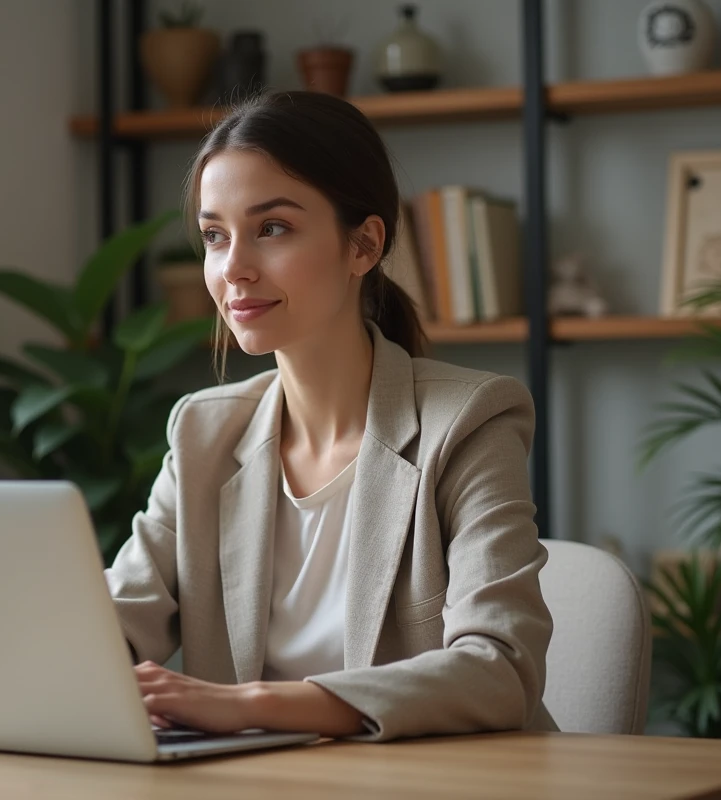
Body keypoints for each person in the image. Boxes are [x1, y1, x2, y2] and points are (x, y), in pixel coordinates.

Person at [103, 90, 557, 742]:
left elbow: (501, 669)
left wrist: (252, 705)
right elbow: (113, 623)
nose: (234, 269)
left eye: (272, 228)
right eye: (214, 236)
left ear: (364, 245)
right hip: (259, 783)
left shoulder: (468, 422)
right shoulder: (204, 433)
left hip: (440, 783)